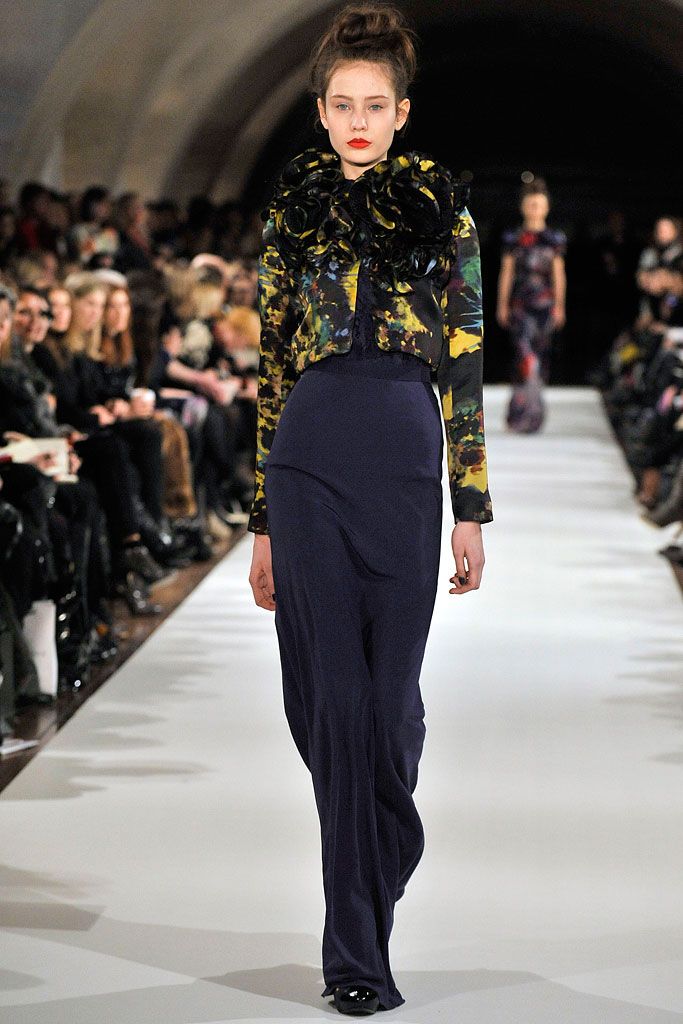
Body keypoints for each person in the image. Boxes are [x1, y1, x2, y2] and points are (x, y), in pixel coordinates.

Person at [246, 3, 493, 1016]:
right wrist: (259, 522)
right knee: (334, 707)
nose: (356, 120)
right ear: (319, 111)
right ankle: (355, 953)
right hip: (306, 459)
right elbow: (269, 366)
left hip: (401, 457)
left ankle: (381, 835)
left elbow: (466, 363)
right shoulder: (292, 211)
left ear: (401, 112)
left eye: (373, 104)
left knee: (386, 712)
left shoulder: (444, 213)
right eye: (341, 104)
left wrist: (470, 507)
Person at [497, 178, 567, 432]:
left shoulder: (554, 239)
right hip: (521, 306)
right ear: (523, 207)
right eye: (531, 205)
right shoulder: (513, 238)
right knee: (524, 357)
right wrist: (502, 304)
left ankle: (533, 415)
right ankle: (519, 414)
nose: (535, 209)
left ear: (546, 208)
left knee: (540, 359)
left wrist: (560, 305)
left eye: (539, 205)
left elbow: (558, 275)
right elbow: (507, 273)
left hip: (545, 307)